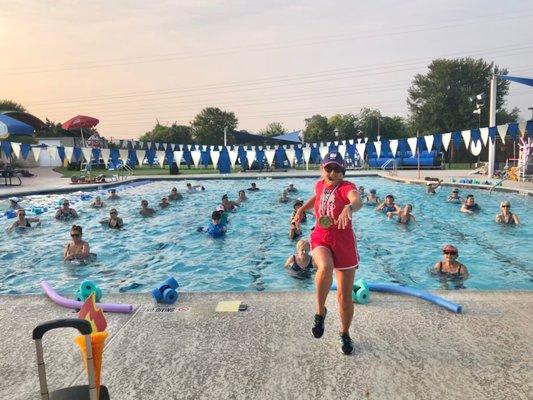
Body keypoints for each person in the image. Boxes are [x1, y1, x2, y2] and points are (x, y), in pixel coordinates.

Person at [292, 151, 362, 355]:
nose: (332, 172)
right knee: (324, 267)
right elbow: (317, 197)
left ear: (342, 172)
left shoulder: (347, 187)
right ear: (322, 169)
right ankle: (320, 312)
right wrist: (301, 209)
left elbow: (357, 200)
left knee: (344, 297)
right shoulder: (320, 184)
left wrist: (349, 208)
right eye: (328, 168)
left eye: (337, 169)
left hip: (344, 242)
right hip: (321, 236)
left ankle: (345, 333)